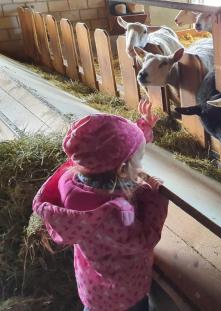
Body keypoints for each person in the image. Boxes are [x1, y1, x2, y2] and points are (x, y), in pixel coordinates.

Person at [33, 100, 168, 311]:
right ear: (123, 169)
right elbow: (143, 240)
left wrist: (143, 128)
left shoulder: (75, 181)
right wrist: (155, 200)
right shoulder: (110, 214)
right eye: (137, 159)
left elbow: (111, 148)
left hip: (93, 288)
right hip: (124, 295)